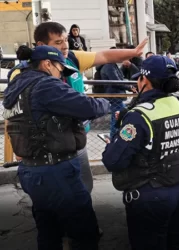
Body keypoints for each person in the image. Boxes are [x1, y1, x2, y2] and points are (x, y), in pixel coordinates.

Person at [7, 21, 148, 196]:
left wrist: (133, 52)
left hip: (72, 140)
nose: (65, 46)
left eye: (66, 40)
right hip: (46, 150)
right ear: (42, 48)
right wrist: (16, 144)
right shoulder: (27, 77)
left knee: (80, 189)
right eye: (58, 42)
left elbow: (104, 56)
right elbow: (13, 111)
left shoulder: (71, 58)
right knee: (65, 202)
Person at [3, 45, 110, 250]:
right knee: (85, 233)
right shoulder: (45, 86)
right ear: (47, 64)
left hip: (31, 170)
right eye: (60, 68)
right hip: (56, 171)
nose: (62, 75)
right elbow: (86, 107)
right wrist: (104, 103)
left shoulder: (15, 87)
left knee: (49, 231)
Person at [102, 55, 179, 250]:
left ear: (145, 81)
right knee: (176, 242)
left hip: (151, 194)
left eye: (138, 78)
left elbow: (113, 161)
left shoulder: (140, 116)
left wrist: (113, 143)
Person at [98, 47, 137, 137]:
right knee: (117, 119)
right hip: (115, 96)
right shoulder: (109, 66)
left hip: (115, 96)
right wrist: (129, 87)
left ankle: (114, 138)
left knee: (117, 118)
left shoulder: (112, 65)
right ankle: (114, 138)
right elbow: (117, 82)